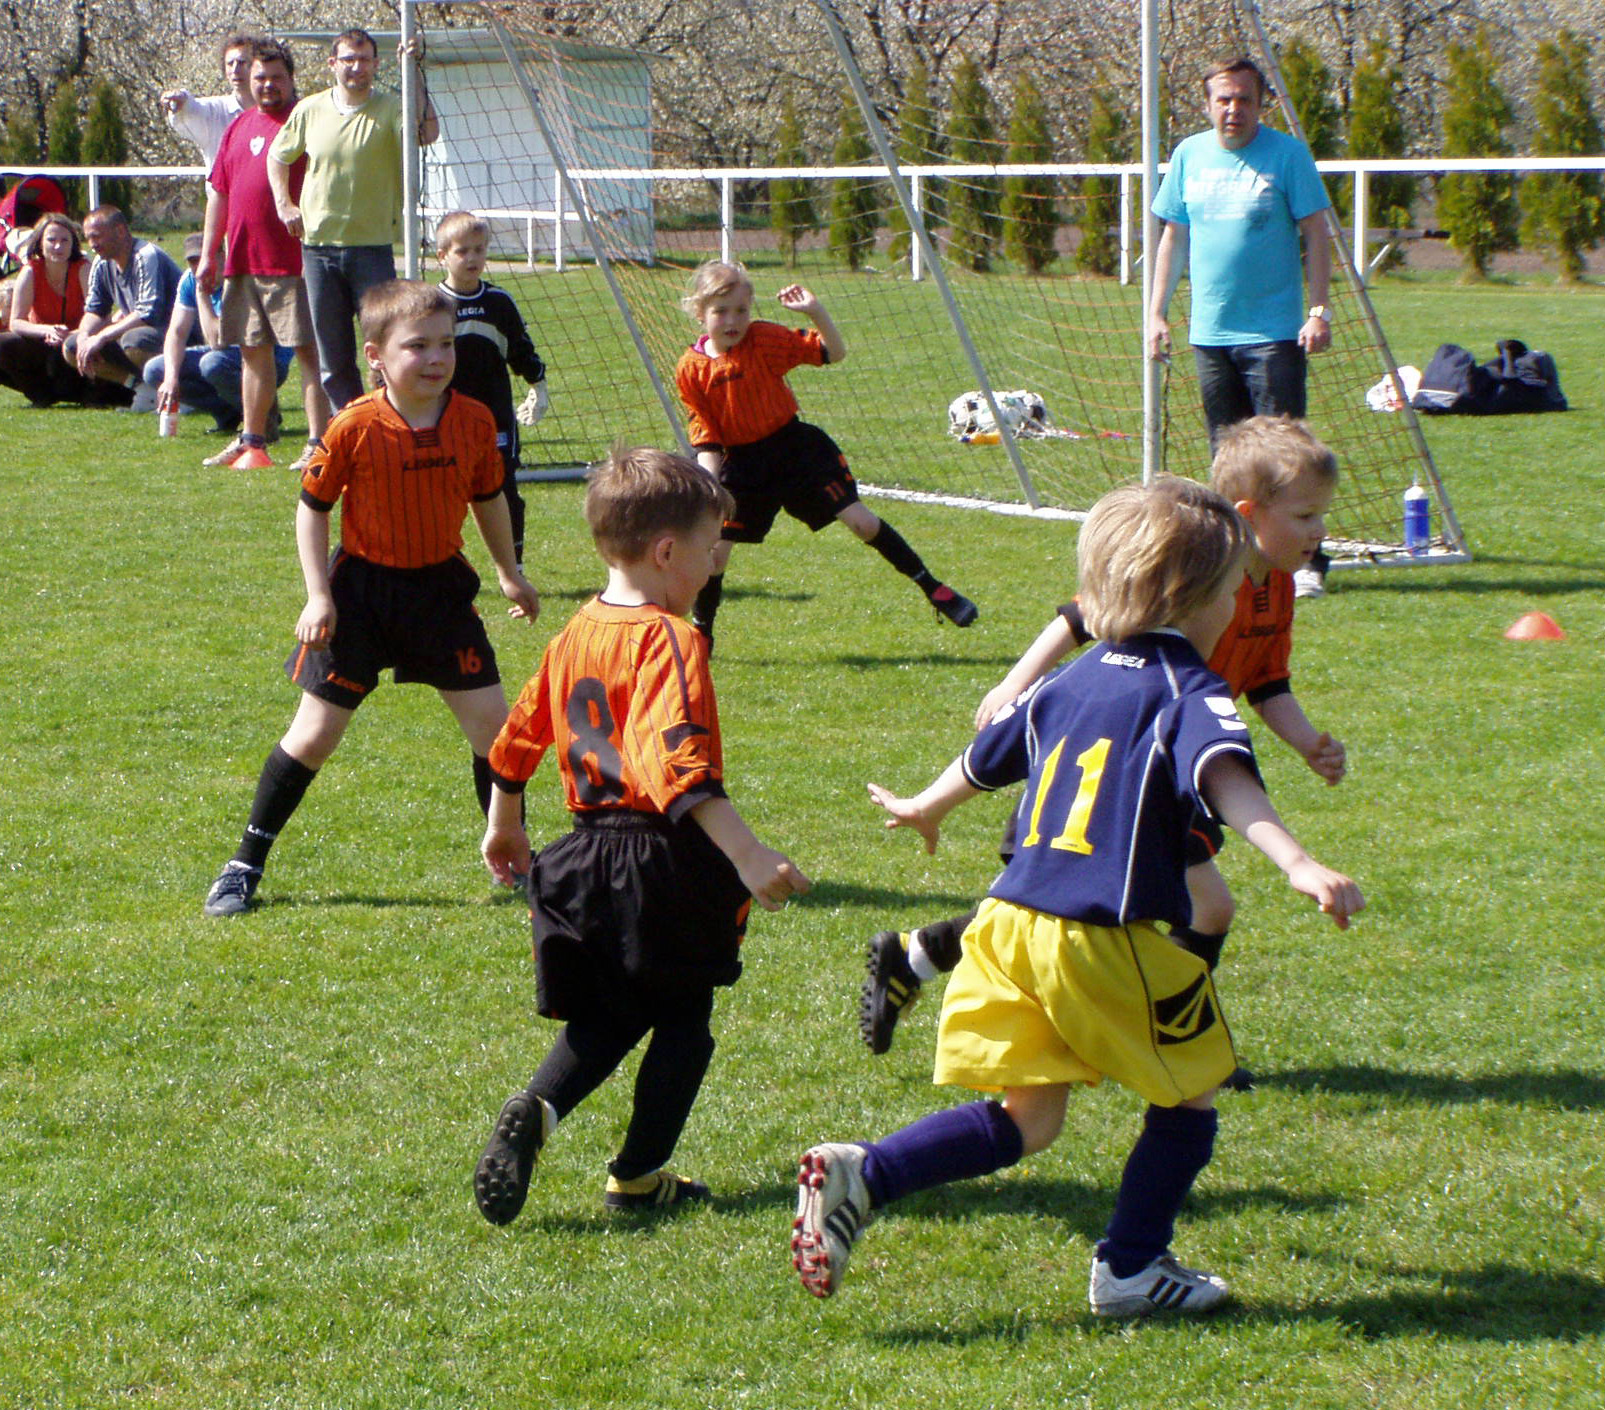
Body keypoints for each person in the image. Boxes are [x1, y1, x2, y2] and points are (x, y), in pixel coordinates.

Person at [789, 476, 1363, 1315]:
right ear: (1198, 598)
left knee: (1028, 1119)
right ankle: (1132, 1267)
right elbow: (1227, 779)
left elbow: (987, 757)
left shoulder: (1076, 675)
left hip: (1003, 927)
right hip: (1093, 938)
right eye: (1236, 592)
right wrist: (1298, 863)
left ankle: (864, 1174)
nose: (1239, 608)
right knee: (1191, 1092)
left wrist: (924, 805)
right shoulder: (1188, 689)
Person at [861, 417, 1346, 1063]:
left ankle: (915, 956)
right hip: (1122, 763)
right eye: (1306, 515)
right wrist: (1017, 684)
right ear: (1248, 514)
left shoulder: (1273, 588)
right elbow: (1079, 617)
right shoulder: (1182, 569)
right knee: (1108, 913)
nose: (1318, 533)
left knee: (1095, 912)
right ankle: (1174, 1042)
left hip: (1172, 763)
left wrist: (1307, 741)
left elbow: (1266, 681)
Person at [473, 445, 809, 1222]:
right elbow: (676, 762)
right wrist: (746, 851)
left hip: (585, 851)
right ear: (665, 552)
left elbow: (516, 739)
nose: (713, 563)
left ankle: (539, 1110)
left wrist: (504, 820)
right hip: (664, 852)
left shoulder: (573, 634)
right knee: (685, 1021)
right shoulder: (672, 640)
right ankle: (637, 1174)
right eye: (707, 548)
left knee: (616, 1011)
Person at [201, 280, 540, 918]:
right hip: (360, 596)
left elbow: (487, 497)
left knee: (496, 735)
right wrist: (317, 595)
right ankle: (244, 864)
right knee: (314, 736)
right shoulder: (354, 424)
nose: (437, 358)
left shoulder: (472, 420)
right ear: (377, 354)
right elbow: (312, 511)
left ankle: (514, 858)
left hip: (440, 593)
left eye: (446, 344)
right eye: (419, 346)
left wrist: (508, 571)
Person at [674, 260, 978, 644]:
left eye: (742, 310)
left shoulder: (764, 340)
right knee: (715, 556)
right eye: (721, 311)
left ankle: (934, 588)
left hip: (796, 451)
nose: (733, 320)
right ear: (700, 313)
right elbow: (706, 433)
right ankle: (703, 636)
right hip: (743, 466)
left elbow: (833, 353)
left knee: (862, 523)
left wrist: (815, 311)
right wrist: (710, 485)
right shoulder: (691, 369)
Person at [1148, 56, 1336, 598]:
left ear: (1261, 103)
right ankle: (1235, 561)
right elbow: (1173, 238)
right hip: (1211, 334)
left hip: (1275, 334)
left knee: (1286, 457)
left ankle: (1307, 563)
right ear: (1208, 104)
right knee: (1226, 457)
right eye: (1223, 99)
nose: (1233, 109)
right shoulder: (1189, 155)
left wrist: (1318, 310)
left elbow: (1316, 233)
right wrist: (1157, 312)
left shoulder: (1286, 155)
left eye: (1244, 99)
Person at [268, 27, 439, 413]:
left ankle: (388, 422)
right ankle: (349, 428)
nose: (356, 67)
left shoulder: (391, 107)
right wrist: (285, 204)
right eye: (348, 59)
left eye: (364, 60)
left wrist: (413, 72)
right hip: (318, 249)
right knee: (334, 357)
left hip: (372, 248)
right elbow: (278, 157)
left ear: (376, 64)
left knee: (386, 346)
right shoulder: (310, 110)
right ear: (333, 64)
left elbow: (427, 131)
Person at [199, 37, 331, 471]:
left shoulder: (307, 122)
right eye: (260, 77)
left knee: (309, 352)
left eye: (277, 77)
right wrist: (209, 254)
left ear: (292, 79)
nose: (268, 85)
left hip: (293, 261)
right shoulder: (238, 127)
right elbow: (219, 192)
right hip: (242, 261)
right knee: (252, 354)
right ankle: (251, 441)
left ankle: (318, 442)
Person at [435, 210, 548, 566]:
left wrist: (538, 386)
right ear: (442, 256)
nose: (472, 258)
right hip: (444, 415)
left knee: (504, 488)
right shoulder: (431, 305)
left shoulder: (499, 303)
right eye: (462, 251)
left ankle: (514, 565)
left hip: (494, 414)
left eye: (479, 250)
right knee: (441, 490)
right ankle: (438, 559)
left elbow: (520, 349)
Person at [147, 231, 292, 435]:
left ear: (224, 255)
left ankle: (265, 415)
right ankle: (228, 414)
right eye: (193, 261)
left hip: (265, 360)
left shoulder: (238, 279)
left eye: (205, 258)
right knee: (155, 370)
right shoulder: (189, 279)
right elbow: (177, 333)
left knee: (213, 363)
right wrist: (170, 379)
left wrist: (202, 295)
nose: (199, 267)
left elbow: (217, 340)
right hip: (226, 355)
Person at [62, 206, 182, 408]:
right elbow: (95, 310)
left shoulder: (146, 256)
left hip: (179, 337)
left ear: (120, 231)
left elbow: (148, 313)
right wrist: (84, 336)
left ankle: (181, 393)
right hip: (140, 335)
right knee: (72, 347)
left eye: (97, 237)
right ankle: (142, 388)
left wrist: (101, 337)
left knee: (135, 339)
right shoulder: (102, 264)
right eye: (88, 238)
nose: (92, 245)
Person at [0, 214, 97, 407]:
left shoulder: (83, 270)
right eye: (51, 240)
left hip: (77, 344)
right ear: (40, 243)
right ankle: (40, 395)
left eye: (64, 240)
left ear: (73, 244)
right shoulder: (30, 272)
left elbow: (98, 315)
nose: (58, 246)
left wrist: (70, 334)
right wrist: (48, 330)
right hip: (40, 344)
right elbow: (16, 322)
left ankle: (87, 392)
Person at [161, 32, 260, 168]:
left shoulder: (273, 111)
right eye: (230, 63)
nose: (235, 69)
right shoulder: (215, 112)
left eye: (242, 62)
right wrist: (181, 100)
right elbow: (193, 109)